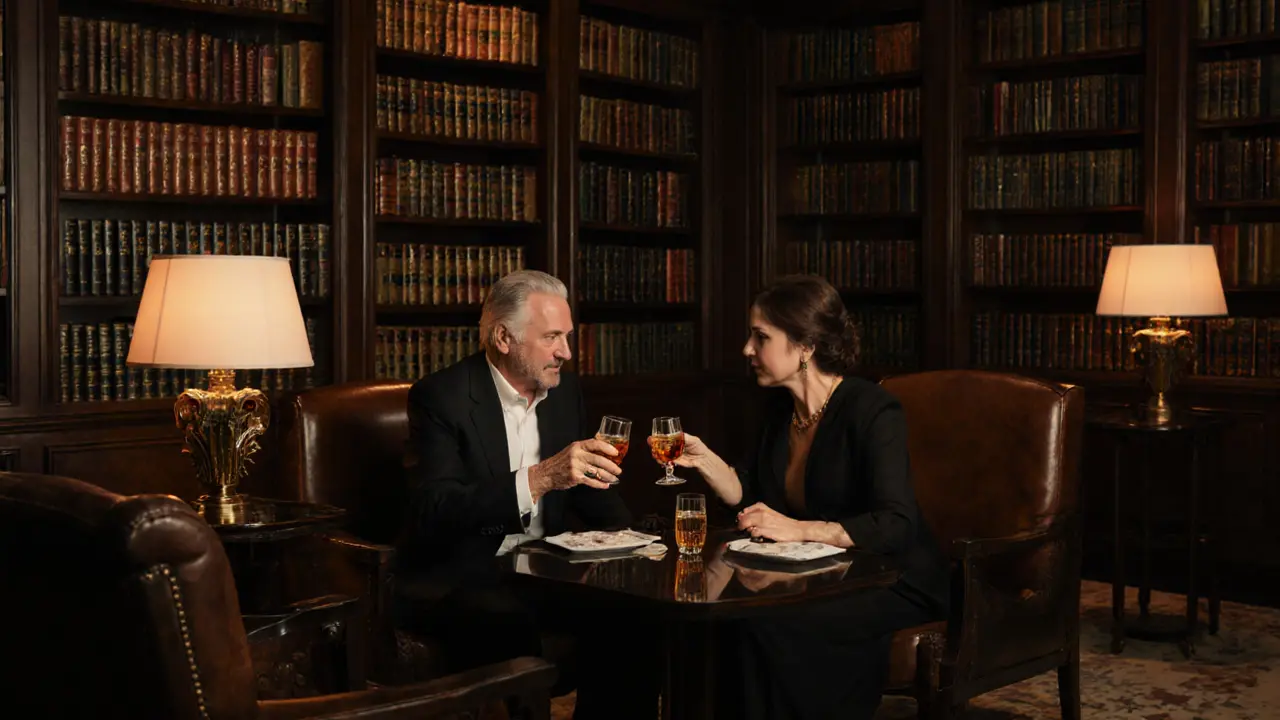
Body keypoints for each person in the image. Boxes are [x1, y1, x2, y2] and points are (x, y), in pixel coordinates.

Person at [673, 274, 950, 720]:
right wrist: (705, 460)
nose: (747, 349)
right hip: (819, 574)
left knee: (771, 624)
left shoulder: (872, 409)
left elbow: (896, 525)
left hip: (891, 577)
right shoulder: (780, 410)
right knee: (717, 621)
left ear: (804, 346)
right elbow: (749, 493)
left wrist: (798, 529)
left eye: (761, 337)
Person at [398, 269, 644, 719]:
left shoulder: (564, 392)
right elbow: (436, 508)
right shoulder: (442, 396)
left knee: (635, 616)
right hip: (465, 572)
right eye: (552, 337)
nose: (566, 352)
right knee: (507, 621)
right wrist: (541, 477)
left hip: (544, 570)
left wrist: (639, 542)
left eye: (567, 337)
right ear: (503, 338)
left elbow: (588, 488)